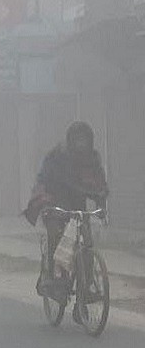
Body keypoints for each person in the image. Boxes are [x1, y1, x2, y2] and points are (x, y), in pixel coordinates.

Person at [24, 121, 108, 322]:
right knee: (56, 234)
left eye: (84, 140)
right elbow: (45, 180)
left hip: (78, 205)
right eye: (78, 139)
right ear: (71, 140)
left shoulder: (92, 159)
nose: (81, 144)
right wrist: (46, 201)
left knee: (86, 244)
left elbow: (100, 184)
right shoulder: (58, 157)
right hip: (55, 202)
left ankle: (85, 291)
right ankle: (54, 278)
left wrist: (101, 201)